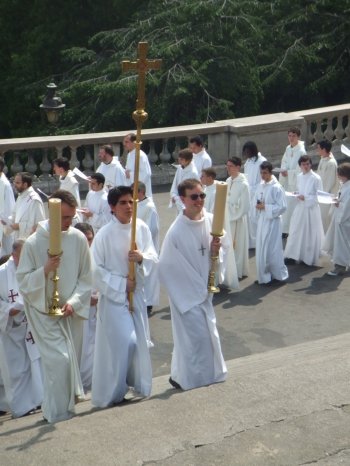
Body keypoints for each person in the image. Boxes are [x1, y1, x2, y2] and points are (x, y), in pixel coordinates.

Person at [16, 190, 92, 423]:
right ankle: (59, 415)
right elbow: (23, 281)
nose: (70, 223)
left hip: (70, 311)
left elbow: (86, 277)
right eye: (65, 218)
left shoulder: (78, 239)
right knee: (59, 361)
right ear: (52, 213)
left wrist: (74, 302)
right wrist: (45, 269)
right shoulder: (34, 243)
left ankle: (57, 411)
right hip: (42, 310)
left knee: (70, 363)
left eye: (72, 217)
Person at [91, 186, 157, 407]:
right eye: (123, 203)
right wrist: (121, 284)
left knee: (138, 343)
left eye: (131, 202)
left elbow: (152, 256)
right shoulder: (103, 235)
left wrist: (140, 258)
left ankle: (135, 383)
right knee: (124, 344)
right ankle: (115, 391)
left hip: (136, 295)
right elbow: (96, 271)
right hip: (114, 299)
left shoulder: (141, 227)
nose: (129, 206)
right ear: (112, 207)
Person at [159, 178, 227, 391]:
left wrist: (217, 251)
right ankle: (195, 379)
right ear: (183, 199)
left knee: (205, 337)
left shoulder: (211, 221)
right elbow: (167, 266)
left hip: (204, 292)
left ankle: (182, 376)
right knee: (196, 339)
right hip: (187, 295)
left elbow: (217, 257)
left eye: (202, 195)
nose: (200, 201)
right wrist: (196, 289)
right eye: (194, 197)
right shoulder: (176, 232)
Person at [0, 240, 43, 418]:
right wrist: (10, 310)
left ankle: (38, 399)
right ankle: (21, 406)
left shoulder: (33, 268)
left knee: (36, 363)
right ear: (14, 255)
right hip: (10, 328)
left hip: (32, 324)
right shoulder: (2, 273)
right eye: (23, 257)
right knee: (17, 369)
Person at [284, 156, 324, 266]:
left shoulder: (316, 178)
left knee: (309, 233)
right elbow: (300, 190)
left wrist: (305, 198)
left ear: (311, 164)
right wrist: (297, 194)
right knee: (295, 231)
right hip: (300, 208)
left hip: (311, 210)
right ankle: (292, 256)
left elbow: (319, 196)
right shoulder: (299, 176)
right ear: (300, 166)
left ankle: (307, 258)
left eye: (307, 164)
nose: (305, 166)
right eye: (303, 164)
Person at [253, 162, 288, 284]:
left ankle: (277, 275)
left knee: (272, 249)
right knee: (262, 249)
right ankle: (264, 276)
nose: (263, 175)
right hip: (263, 221)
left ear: (270, 172)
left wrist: (265, 207)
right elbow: (256, 200)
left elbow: (282, 207)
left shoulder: (276, 187)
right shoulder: (261, 185)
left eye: (265, 173)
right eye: (261, 173)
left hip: (273, 222)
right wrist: (257, 206)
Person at [74, 222, 97, 392]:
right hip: (80, 312)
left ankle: (95, 382)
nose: (89, 243)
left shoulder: (97, 254)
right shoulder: (72, 258)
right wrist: (85, 299)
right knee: (82, 351)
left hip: (98, 310)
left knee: (96, 348)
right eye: (86, 240)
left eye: (91, 239)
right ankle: (80, 384)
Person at [132, 181, 160, 316]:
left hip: (146, 245)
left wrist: (139, 237)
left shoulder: (149, 207)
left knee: (148, 274)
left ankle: (148, 303)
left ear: (141, 192)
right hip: (136, 244)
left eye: (134, 192)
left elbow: (153, 229)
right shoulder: (134, 205)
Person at [323, 163, 350, 276]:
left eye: (340, 174)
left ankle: (340, 267)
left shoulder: (348, 188)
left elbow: (347, 205)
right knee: (343, 244)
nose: (338, 176)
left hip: (343, 221)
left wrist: (338, 204)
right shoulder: (344, 185)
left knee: (341, 245)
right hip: (340, 219)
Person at [279, 127, 306, 236]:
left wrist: (289, 173)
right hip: (286, 181)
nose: (291, 138)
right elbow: (284, 161)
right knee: (286, 206)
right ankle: (284, 229)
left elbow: (301, 168)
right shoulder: (288, 148)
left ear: (298, 137)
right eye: (289, 136)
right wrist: (283, 169)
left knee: (292, 207)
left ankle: (291, 230)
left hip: (294, 183)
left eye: (293, 136)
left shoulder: (301, 151)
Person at [225, 157, 250, 279]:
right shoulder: (228, 181)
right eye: (227, 166)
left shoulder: (243, 184)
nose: (228, 168)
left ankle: (238, 271)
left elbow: (245, 206)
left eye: (231, 166)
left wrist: (234, 215)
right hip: (228, 217)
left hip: (237, 219)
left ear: (238, 167)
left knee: (238, 245)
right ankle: (229, 270)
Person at [3, 172, 45, 241]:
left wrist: (20, 226)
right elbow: (14, 215)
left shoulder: (34, 200)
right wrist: (6, 222)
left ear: (25, 185)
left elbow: (39, 224)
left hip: (30, 242)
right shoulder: (21, 196)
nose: (14, 185)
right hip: (18, 240)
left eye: (17, 183)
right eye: (14, 182)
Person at [243, 141, 266, 248]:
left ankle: (258, 240)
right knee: (249, 217)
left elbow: (263, 180)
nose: (246, 154)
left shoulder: (261, 161)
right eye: (245, 152)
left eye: (248, 152)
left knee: (256, 217)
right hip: (249, 192)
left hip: (258, 193)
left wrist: (253, 190)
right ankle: (251, 241)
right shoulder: (247, 162)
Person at [316, 139, 339, 233]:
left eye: (318, 148)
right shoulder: (323, 158)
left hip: (326, 196)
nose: (317, 150)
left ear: (324, 149)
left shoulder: (331, 163)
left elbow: (329, 182)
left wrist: (320, 194)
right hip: (320, 193)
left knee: (325, 219)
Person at [170, 148, 199, 214]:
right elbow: (175, 184)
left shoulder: (193, 173)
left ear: (188, 160)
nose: (179, 161)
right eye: (179, 159)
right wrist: (173, 195)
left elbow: (194, 191)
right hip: (179, 200)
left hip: (187, 202)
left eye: (182, 159)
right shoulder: (180, 168)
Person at [0, 157, 16, 256]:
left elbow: (10, 207)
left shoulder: (5, 185)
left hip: (4, 224)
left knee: (8, 253)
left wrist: (4, 222)